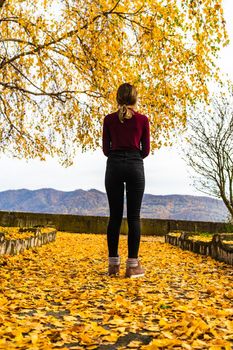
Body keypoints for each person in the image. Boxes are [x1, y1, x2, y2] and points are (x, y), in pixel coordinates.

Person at [102, 82, 150, 278]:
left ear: (117, 98)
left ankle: (113, 266)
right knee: (134, 217)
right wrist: (132, 156)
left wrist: (118, 155)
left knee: (114, 217)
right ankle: (132, 266)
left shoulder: (109, 120)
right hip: (134, 166)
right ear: (135, 99)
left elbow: (106, 150)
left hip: (113, 165)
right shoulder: (143, 120)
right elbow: (145, 151)